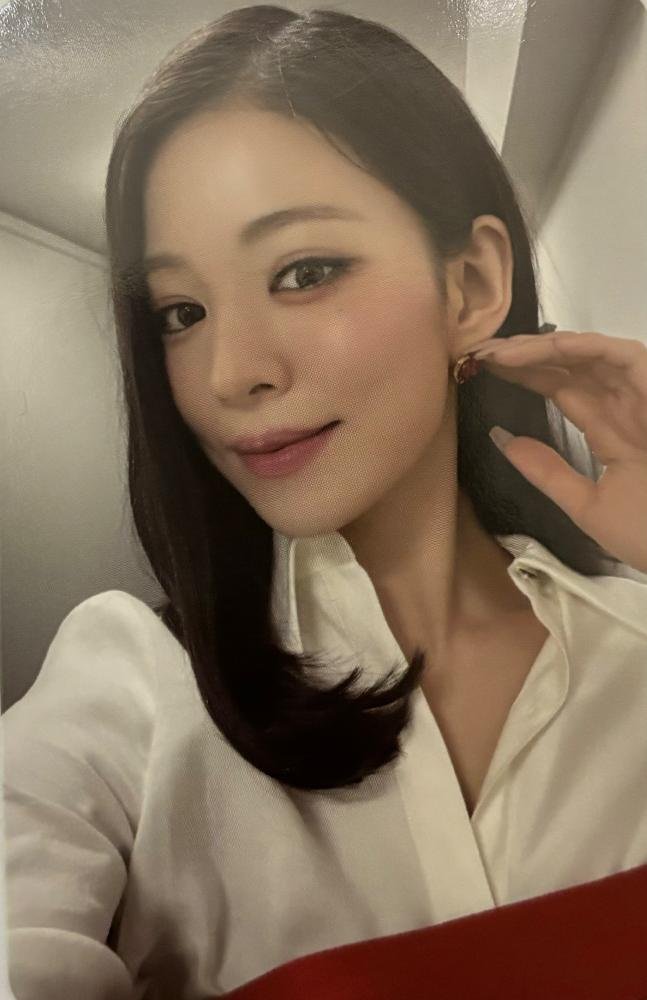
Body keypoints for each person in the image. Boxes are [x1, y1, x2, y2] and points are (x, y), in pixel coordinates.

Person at [3, 6, 647, 999]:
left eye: (303, 272)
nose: (230, 372)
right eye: (181, 312)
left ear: (470, 284)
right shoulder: (132, 684)